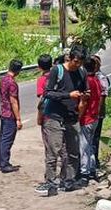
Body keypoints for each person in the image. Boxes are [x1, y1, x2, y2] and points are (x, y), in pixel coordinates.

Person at [35, 45, 88, 197]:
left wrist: (84, 97)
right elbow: (48, 93)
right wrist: (68, 95)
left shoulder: (82, 72)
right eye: (76, 61)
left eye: (80, 62)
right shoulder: (57, 71)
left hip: (72, 117)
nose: (77, 65)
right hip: (54, 117)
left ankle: (69, 180)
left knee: (73, 152)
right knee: (54, 151)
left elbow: (84, 90)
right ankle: (51, 183)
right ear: (70, 58)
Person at [79, 57, 104, 183]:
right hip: (95, 117)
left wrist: (78, 117)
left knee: (84, 146)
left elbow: (83, 102)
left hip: (87, 118)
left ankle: (85, 172)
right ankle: (92, 169)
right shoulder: (97, 80)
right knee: (90, 145)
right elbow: (100, 100)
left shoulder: (87, 82)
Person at [0, 60, 23, 173]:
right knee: (7, 139)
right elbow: (13, 101)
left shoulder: (3, 79)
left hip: (3, 112)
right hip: (9, 114)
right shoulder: (12, 83)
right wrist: (18, 119)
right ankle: (4, 164)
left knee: (2, 138)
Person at [35, 54, 54, 127]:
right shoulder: (57, 76)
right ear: (51, 64)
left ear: (39, 67)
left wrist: (39, 117)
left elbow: (42, 100)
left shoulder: (41, 80)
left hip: (47, 115)